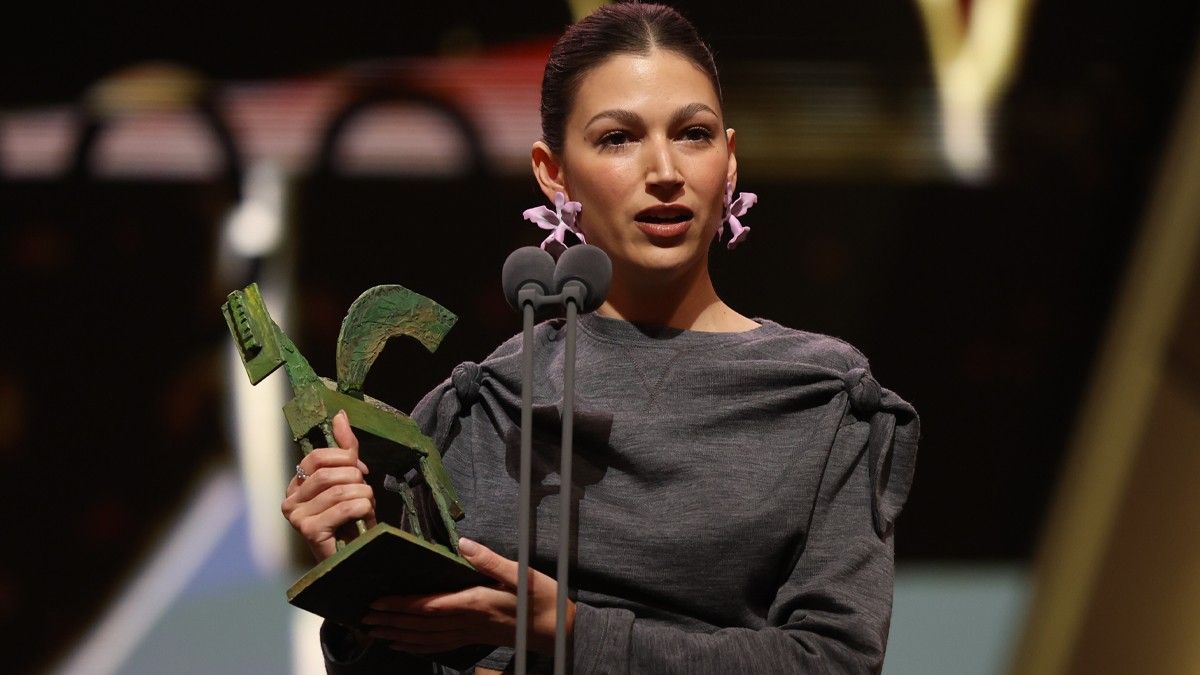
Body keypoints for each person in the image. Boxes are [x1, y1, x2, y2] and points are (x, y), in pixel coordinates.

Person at [281, 3, 919, 673]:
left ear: (729, 161)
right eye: (619, 138)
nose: (665, 169)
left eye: (693, 134)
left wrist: (571, 631)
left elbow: (836, 662)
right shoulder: (476, 411)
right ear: (553, 172)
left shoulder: (820, 402)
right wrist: (354, 578)